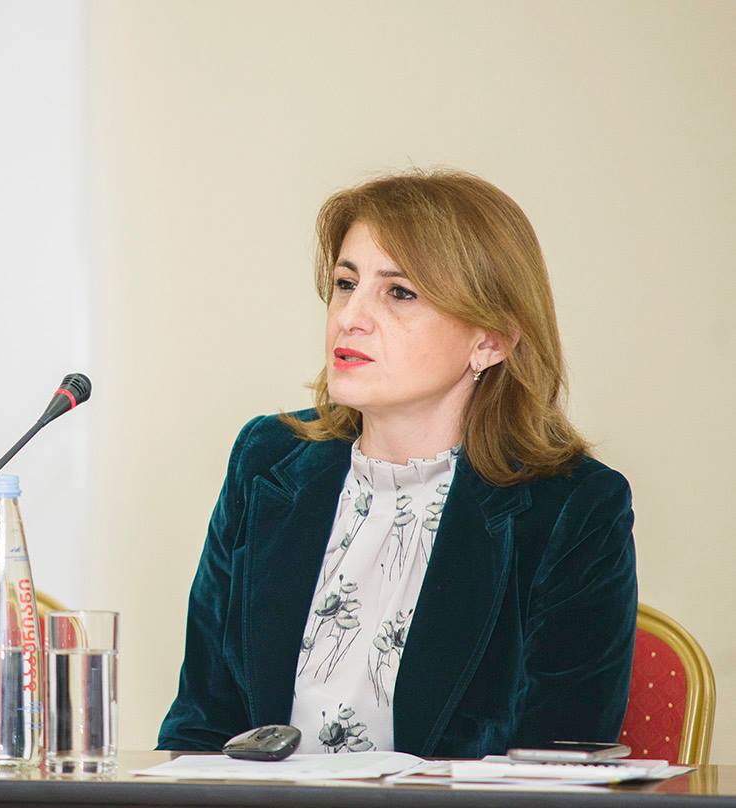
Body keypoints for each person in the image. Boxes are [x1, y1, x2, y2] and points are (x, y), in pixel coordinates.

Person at [157, 171, 637, 757]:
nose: (350, 317)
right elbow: (201, 726)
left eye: (400, 293)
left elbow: (559, 762)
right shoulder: (267, 462)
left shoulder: (573, 508)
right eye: (345, 284)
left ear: (490, 340)